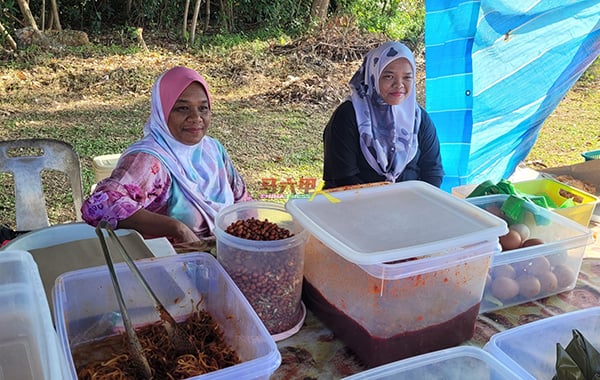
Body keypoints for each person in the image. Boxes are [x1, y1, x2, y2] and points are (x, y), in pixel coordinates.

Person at [82, 66, 251, 243]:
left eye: (203, 108)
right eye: (182, 108)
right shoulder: (150, 159)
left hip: (224, 253)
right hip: (171, 260)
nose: (196, 117)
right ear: (162, 112)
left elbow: (242, 201)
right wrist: (176, 228)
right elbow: (101, 204)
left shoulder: (213, 150)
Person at [322, 41, 444, 189]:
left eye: (407, 77)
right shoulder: (348, 116)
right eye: (388, 76)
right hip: (354, 205)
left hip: (409, 206)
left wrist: (417, 205)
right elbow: (343, 178)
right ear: (373, 75)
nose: (399, 84)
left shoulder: (419, 119)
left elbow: (433, 172)